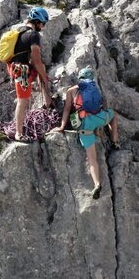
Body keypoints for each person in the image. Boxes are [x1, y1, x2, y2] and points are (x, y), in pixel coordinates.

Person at [52, 66, 119, 199]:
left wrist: (62, 127)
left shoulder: (72, 90)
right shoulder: (94, 88)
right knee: (113, 115)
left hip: (85, 125)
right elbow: (100, 106)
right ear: (91, 78)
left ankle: (97, 184)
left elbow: (66, 110)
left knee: (92, 159)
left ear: (80, 78)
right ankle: (115, 141)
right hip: (100, 119)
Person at [7, 7, 53, 142]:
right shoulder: (33, 35)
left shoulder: (21, 33)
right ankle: (18, 133)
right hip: (22, 72)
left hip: (18, 68)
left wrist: (42, 73)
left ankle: (47, 101)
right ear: (37, 21)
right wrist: (44, 77)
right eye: (43, 24)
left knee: (42, 68)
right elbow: (36, 60)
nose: (43, 27)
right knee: (23, 100)